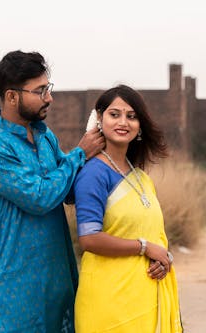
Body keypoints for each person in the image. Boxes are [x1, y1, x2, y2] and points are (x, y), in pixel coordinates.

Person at [0, 50, 104, 333]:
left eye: (48, 88)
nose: (49, 98)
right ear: (11, 97)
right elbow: (39, 197)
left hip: (55, 284)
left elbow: (65, 192)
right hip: (12, 291)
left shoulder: (44, 136)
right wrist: (80, 154)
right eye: (40, 91)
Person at [73, 85, 183, 332]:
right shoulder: (93, 173)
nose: (123, 122)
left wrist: (163, 258)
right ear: (99, 119)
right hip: (108, 301)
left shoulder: (141, 177)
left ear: (140, 125)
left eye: (131, 116)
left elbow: (155, 236)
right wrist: (145, 247)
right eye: (115, 114)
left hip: (143, 296)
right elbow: (89, 238)